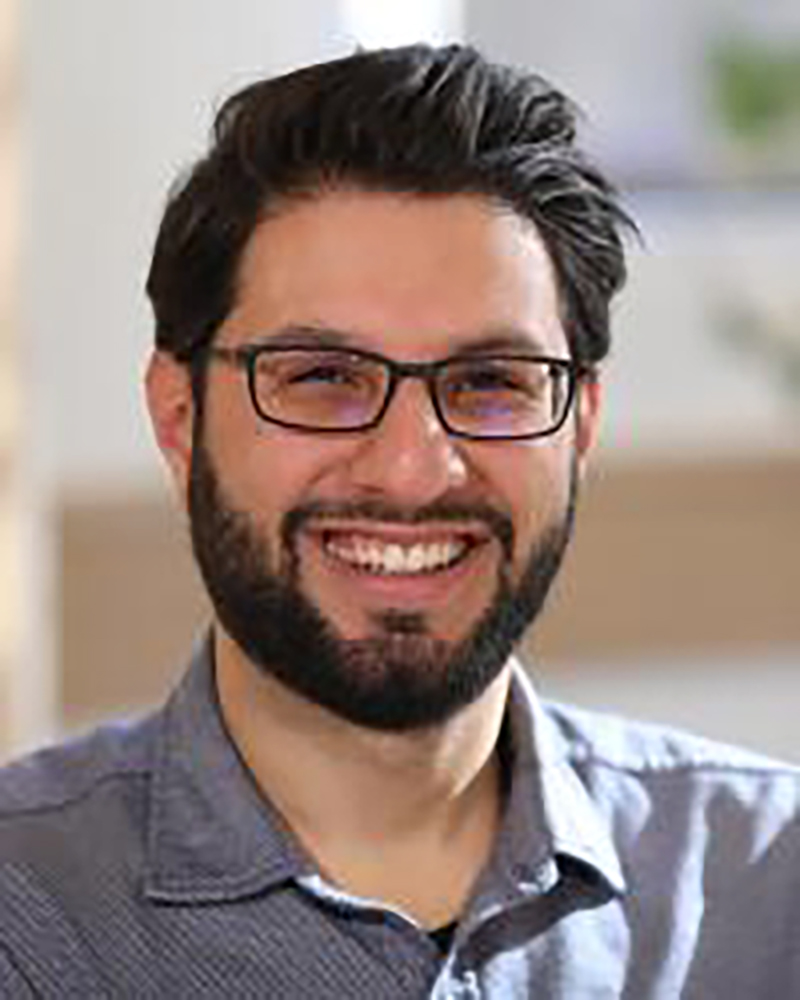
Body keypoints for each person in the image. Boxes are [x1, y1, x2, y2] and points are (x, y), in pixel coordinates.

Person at [1, 43, 798, 999]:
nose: (413, 470)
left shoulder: (771, 887)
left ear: (581, 425)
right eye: (323, 379)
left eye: (490, 381)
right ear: (180, 419)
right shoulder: (26, 912)